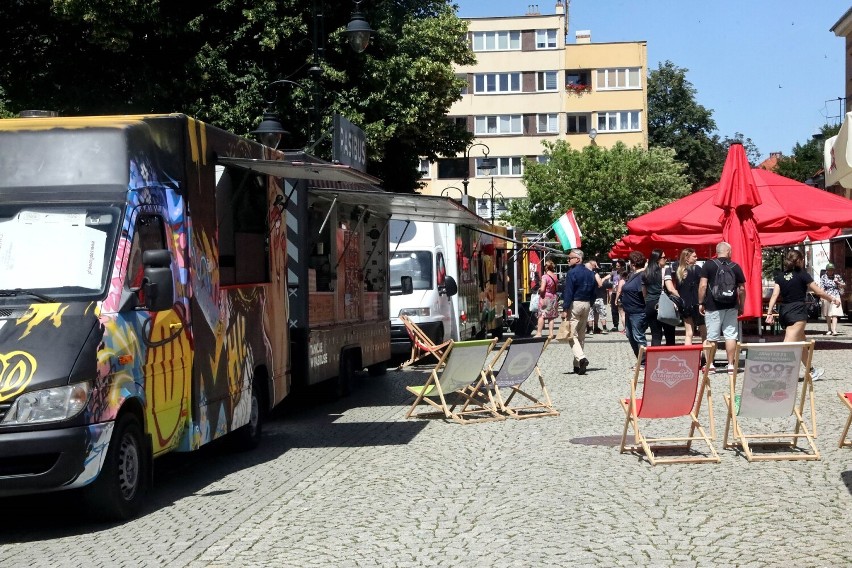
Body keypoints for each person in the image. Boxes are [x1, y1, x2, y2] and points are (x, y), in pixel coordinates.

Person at [766, 250, 840, 380]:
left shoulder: (780, 276)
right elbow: (819, 292)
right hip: (797, 312)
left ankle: (811, 371)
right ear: (799, 261)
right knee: (788, 345)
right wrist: (833, 299)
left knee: (800, 343)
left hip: (785, 311)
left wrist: (769, 312)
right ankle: (774, 375)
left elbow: (774, 295)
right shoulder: (803, 275)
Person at [698, 241, 746, 375]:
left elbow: (702, 285)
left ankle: (710, 366)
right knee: (731, 335)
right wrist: (741, 305)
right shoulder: (736, 267)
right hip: (731, 305)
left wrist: (701, 302)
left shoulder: (708, 265)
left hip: (713, 306)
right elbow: (741, 289)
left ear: (717, 252)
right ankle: (731, 365)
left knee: (712, 336)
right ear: (728, 252)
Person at [560, 248, 596, 375]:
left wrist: (565, 308)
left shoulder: (572, 273)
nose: (568, 259)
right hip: (586, 304)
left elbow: (568, 292)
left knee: (571, 334)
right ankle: (577, 366)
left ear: (578, 259)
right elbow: (594, 290)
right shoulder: (590, 273)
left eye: (570, 258)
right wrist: (590, 303)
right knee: (581, 335)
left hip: (575, 303)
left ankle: (581, 358)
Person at [643, 249, 678, 346]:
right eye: (663, 257)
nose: (666, 259)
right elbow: (670, 288)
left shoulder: (646, 272)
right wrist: (679, 297)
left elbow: (644, 292)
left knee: (656, 334)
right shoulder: (665, 270)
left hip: (650, 304)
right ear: (657, 259)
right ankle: (669, 358)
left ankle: (655, 359)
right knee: (670, 334)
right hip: (664, 304)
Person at [619, 251, 648, 367]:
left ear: (632, 263)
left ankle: (644, 362)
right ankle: (640, 360)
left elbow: (644, 294)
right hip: (630, 311)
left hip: (638, 311)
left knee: (638, 336)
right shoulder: (632, 275)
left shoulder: (642, 276)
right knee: (630, 336)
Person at [675, 248, 706, 347]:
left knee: (688, 333)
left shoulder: (679, 271)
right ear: (687, 258)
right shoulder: (697, 269)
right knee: (704, 334)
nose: (697, 258)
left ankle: (689, 358)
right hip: (697, 304)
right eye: (694, 256)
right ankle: (707, 360)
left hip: (685, 305)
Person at [534, 260, 559, 339]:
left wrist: (538, 290)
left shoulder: (545, 276)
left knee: (541, 315)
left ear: (546, 267)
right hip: (553, 297)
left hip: (545, 297)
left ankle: (539, 333)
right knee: (551, 316)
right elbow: (557, 288)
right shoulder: (555, 276)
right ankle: (551, 333)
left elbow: (542, 289)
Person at [820, 262, 845, 336]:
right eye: (829, 270)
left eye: (832, 270)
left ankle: (834, 330)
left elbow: (844, 285)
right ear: (826, 270)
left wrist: (838, 282)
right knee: (828, 314)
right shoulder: (823, 277)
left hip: (836, 296)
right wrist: (821, 296)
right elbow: (822, 287)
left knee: (835, 314)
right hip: (827, 296)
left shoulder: (837, 276)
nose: (830, 271)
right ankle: (829, 329)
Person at [610, 259, 625, 331]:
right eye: (616, 265)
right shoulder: (613, 272)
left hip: (622, 293)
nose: (617, 267)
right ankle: (615, 325)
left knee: (623, 309)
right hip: (614, 292)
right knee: (614, 309)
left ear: (622, 266)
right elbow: (612, 281)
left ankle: (625, 326)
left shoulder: (625, 273)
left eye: (618, 266)